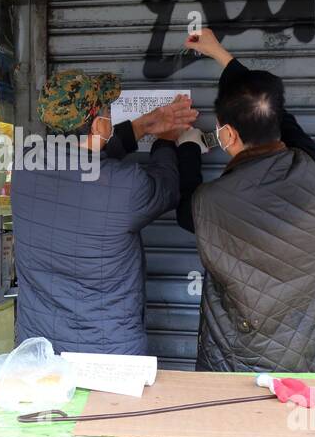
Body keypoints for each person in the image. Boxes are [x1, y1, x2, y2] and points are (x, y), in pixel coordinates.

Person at [176, 28, 315, 374]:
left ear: (226, 135)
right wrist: (223, 56)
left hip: (243, 366)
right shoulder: (310, 165)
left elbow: (185, 204)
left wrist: (186, 147)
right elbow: (276, 113)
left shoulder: (208, 204)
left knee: (246, 428)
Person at [12, 69, 197, 355]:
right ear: (99, 125)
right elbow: (168, 186)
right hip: (108, 356)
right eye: (109, 111)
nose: (112, 116)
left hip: (40, 353)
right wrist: (166, 140)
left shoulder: (24, 167)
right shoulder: (128, 186)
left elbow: (84, 162)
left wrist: (143, 125)